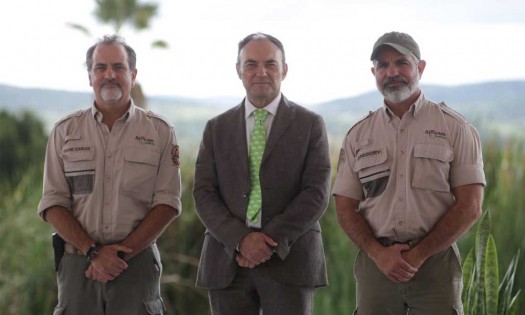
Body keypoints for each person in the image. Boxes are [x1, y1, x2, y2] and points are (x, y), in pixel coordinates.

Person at [333, 31, 486, 314]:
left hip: (435, 264)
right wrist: (378, 254)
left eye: (401, 62)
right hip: (375, 265)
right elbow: (344, 206)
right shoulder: (358, 135)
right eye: (382, 65)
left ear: (420, 67)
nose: (392, 72)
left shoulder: (457, 128)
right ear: (374, 73)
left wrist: (418, 255)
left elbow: (471, 205)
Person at [37, 35, 181, 315]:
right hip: (78, 267)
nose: (109, 75)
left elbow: (168, 204)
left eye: (118, 67)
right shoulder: (64, 132)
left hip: (135, 265)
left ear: (133, 75)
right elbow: (53, 203)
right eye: (100, 68)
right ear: (90, 76)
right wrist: (93, 252)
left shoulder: (161, 132)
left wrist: (119, 255)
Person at [193, 32, 331, 315]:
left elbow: (316, 193)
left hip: (290, 260)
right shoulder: (216, 128)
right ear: (239, 70)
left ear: (284, 69)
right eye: (251, 64)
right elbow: (204, 193)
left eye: (270, 64)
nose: (261, 72)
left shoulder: (310, 124)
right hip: (227, 260)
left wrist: (269, 241)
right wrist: (241, 240)